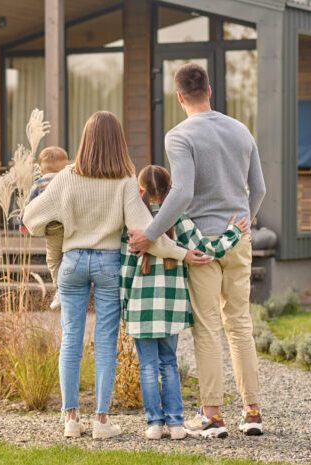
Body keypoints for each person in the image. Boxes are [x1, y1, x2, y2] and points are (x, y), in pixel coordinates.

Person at [23, 111, 206, 440]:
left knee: (71, 341)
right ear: (118, 142)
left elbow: (31, 218)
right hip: (108, 264)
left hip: (73, 261)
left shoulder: (65, 177)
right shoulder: (124, 182)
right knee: (105, 343)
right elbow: (147, 235)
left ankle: (70, 419)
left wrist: (59, 225)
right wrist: (182, 253)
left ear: (85, 140)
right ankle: (101, 422)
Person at [129, 64, 266, 438]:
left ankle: (213, 416)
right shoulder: (241, 130)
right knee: (239, 325)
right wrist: (244, 224)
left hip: (201, 246)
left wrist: (150, 233)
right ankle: (252, 411)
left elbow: (183, 191)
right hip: (237, 240)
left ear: (178, 97)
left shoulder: (179, 136)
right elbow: (260, 188)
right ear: (210, 88)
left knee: (207, 329)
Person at [121, 164, 248, 441]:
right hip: (172, 307)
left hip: (141, 309)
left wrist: (125, 305)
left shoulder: (133, 222)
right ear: (171, 192)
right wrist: (233, 233)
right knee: (168, 363)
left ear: (140, 190)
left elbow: (125, 269)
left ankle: (154, 424)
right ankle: (177, 424)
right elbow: (207, 250)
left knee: (147, 366)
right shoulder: (180, 219)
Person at [20, 146, 68, 310]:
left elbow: (28, 206)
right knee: (68, 256)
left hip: (52, 229)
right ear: (65, 166)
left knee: (54, 260)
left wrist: (23, 223)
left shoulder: (39, 184)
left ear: (41, 169)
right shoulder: (68, 180)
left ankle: (61, 290)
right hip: (69, 226)